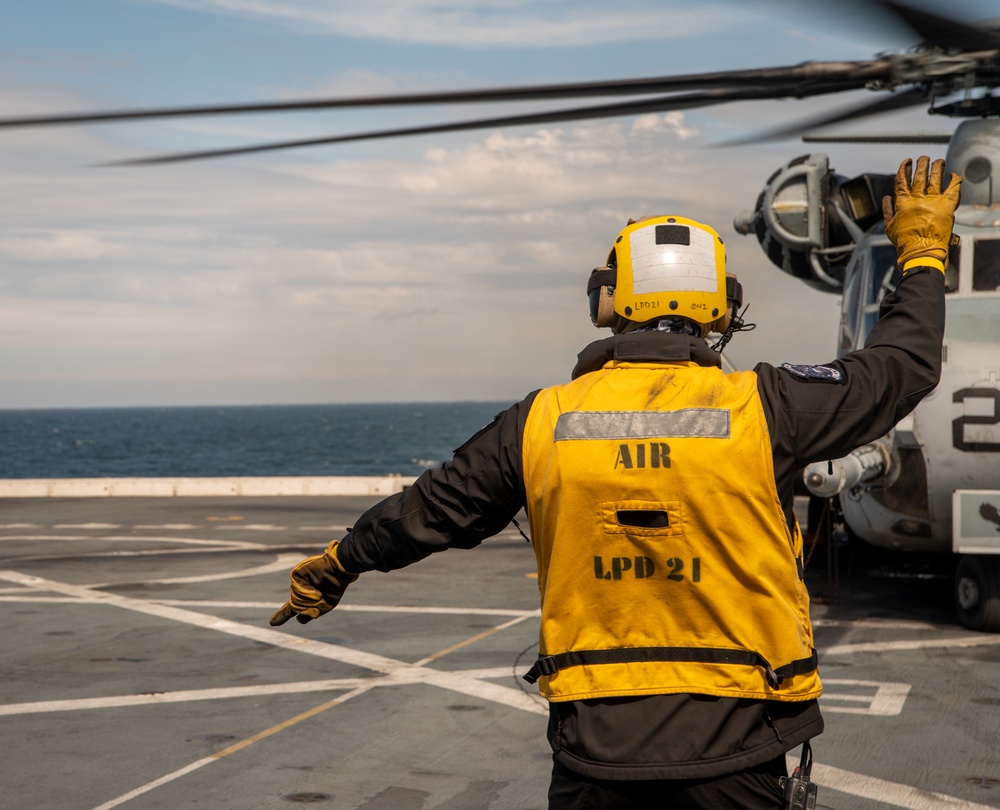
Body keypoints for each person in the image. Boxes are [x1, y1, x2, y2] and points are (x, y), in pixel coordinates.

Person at [271, 156, 961, 809]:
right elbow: (902, 365)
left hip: (595, 753)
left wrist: (339, 563)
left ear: (609, 303)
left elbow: (430, 511)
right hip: (739, 746)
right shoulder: (767, 407)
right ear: (721, 310)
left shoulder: (540, 421)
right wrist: (923, 256)